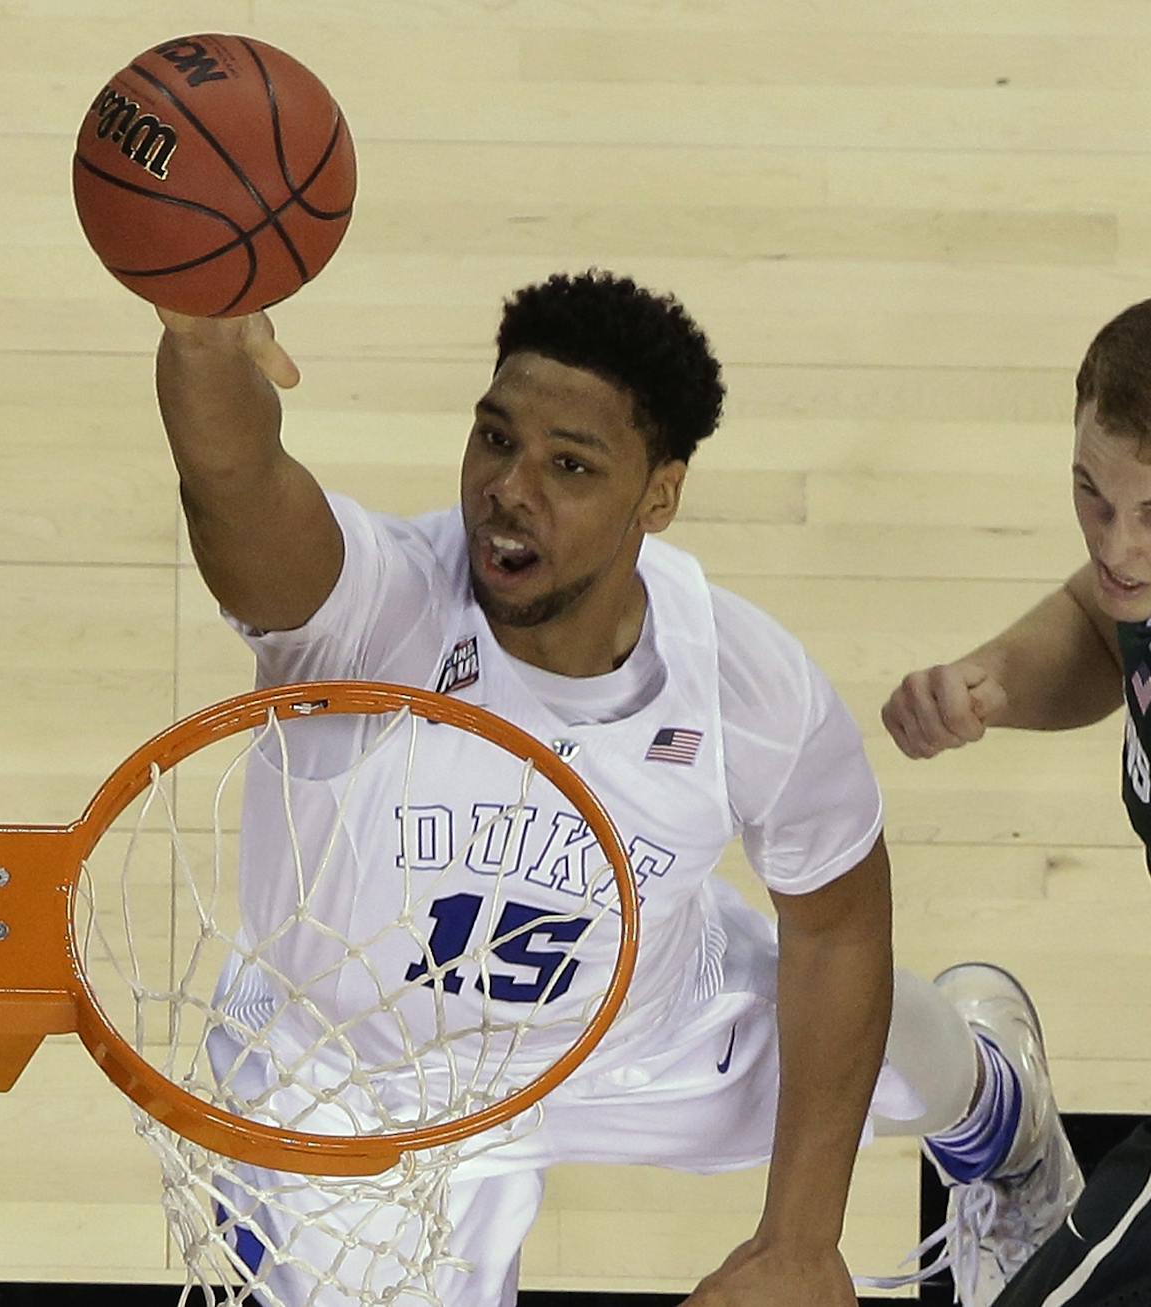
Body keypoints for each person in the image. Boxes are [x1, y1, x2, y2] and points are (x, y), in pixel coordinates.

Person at [155, 270, 1081, 1306]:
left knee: (899, 1046)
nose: (510, 487)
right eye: (496, 438)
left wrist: (795, 1240)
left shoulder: (743, 683)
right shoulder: (368, 608)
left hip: (643, 1033)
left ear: (658, 495)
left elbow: (836, 921)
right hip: (359, 1075)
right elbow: (233, 482)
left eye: (569, 464)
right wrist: (199, 343)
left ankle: (1003, 1120)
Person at [883, 299, 1151, 1306]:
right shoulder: (1134, 579)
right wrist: (988, 680)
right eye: (1089, 491)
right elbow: (1097, 619)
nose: (1114, 545)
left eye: (1149, 513)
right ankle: (1018, 1150)